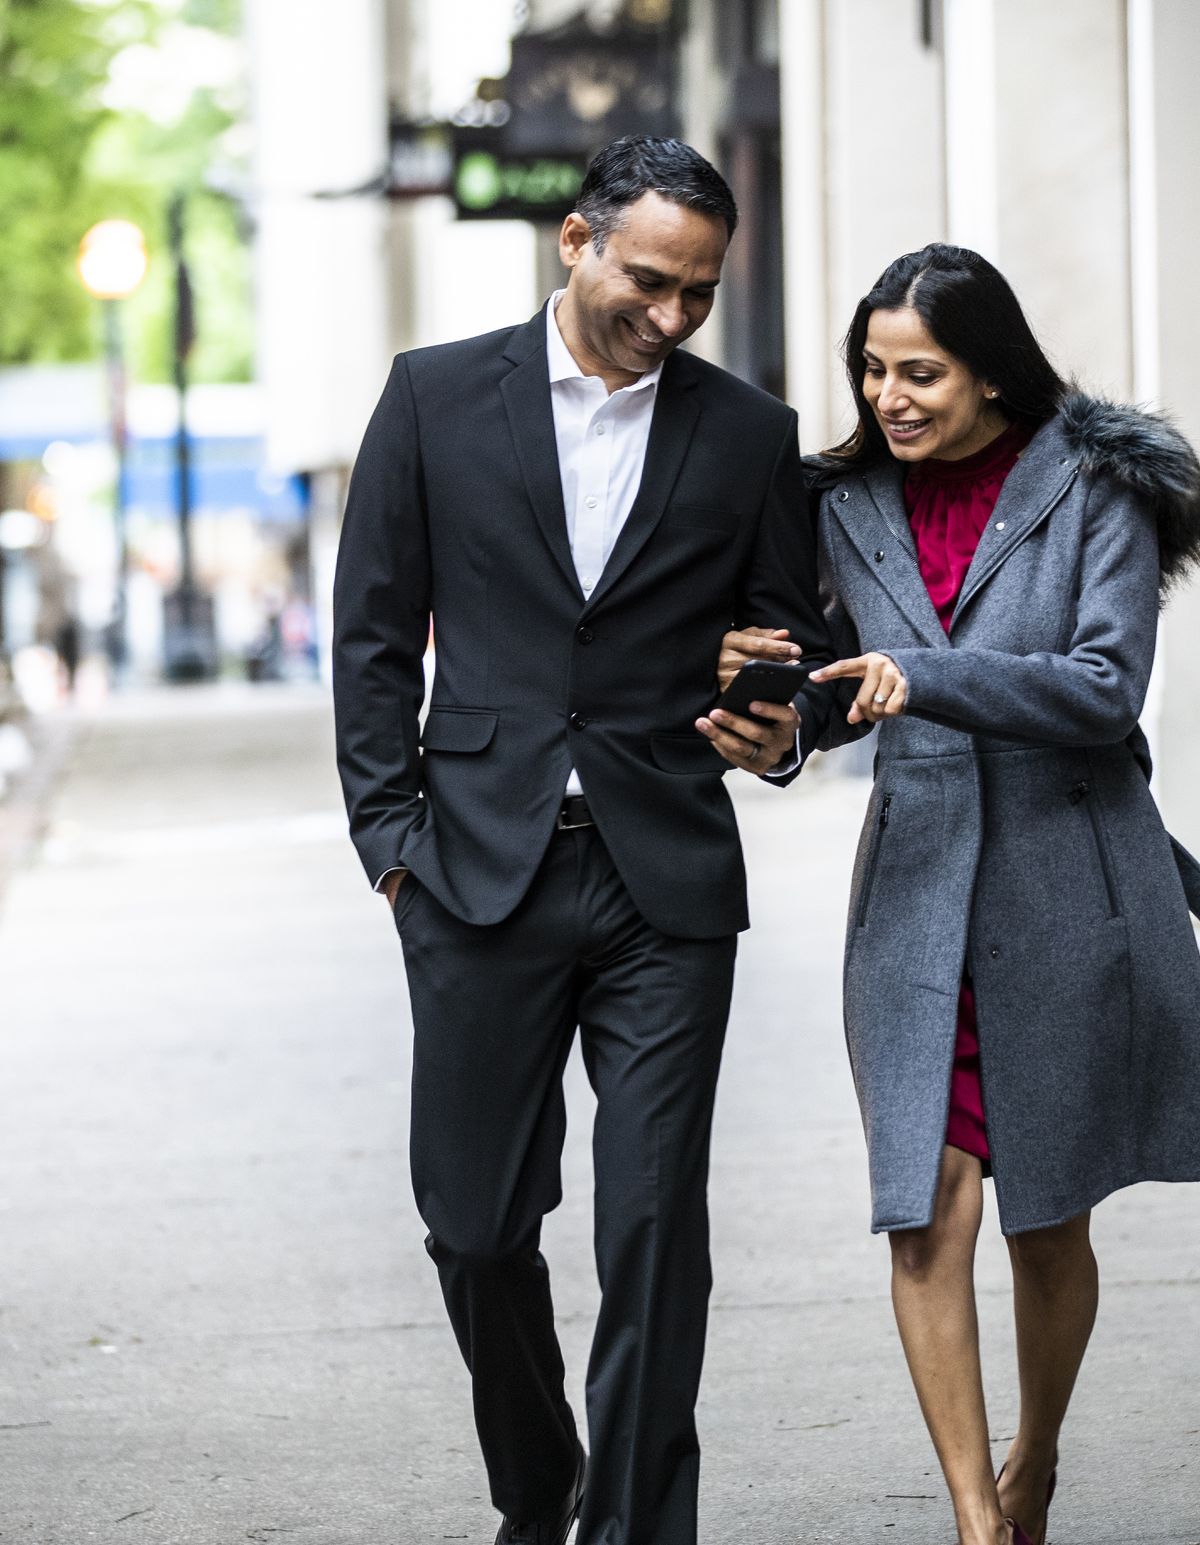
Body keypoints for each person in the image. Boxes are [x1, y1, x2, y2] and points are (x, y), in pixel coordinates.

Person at [332, 137, 837, 1545]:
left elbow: (793, 645)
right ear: (575, 241)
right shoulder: (434, 398)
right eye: (650, 281)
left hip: (661, 876)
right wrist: (391, 840)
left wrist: (780, 719)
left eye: (700, 293)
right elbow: (371, 631)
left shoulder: (746, 433)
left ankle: (632, 1527)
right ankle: (539, 1477)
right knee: (477, 1227)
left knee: (655, 1223)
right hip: (475, 869)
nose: (670, 317)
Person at [723, 244, 1200, 1545]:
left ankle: (1037, 1454)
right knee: (926, 1208)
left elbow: (1102, 688)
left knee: (1046, 1217)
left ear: (991, 373)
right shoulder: (841, 505)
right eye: (872, 370)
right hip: (914, 901)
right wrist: (774, 732)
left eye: (920, 372)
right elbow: (834, 690)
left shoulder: (1095, 485)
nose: (889, 396)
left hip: (1064, 884)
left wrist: (929, 672)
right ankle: (975, 1519)